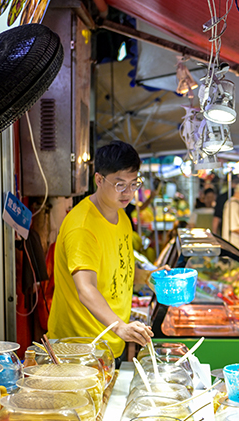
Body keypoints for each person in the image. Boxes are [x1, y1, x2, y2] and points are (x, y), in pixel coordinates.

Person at [48, 141, 162, 362]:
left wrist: (149, 277)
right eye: (120, 184)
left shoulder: (122, 218)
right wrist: (120, 326)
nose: (128, 192)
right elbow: (86, 288)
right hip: (78, 349)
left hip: (108, 345)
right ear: (99, 180)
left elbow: (117, 273)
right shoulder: (83, 226)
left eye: (134, 183)